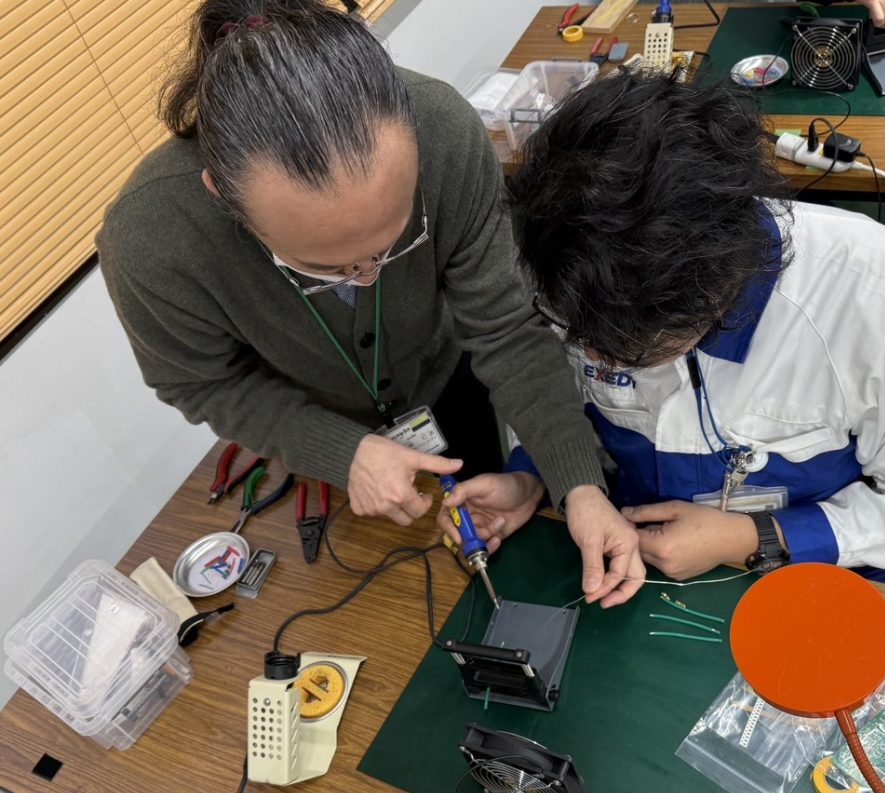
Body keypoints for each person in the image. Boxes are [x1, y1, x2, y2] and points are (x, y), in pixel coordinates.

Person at [97, 0, 644, 607]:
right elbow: (202, 382)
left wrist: (577, 483)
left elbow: (507, 332)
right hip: (315, 424)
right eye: (324, 267)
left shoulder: (442, 131)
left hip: (446, 380)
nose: (365, 279)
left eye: (394, 243)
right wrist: (338, 452)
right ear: (223, 198)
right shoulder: (150, 242)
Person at [439, 70, 885, 587]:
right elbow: (564, 401)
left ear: (719, 284)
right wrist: (538, 477)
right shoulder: (565, 269)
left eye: (629, 349)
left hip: (825, 572)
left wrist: (754, 538)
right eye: (580, 332)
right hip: (626, 556)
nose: (597, 358)